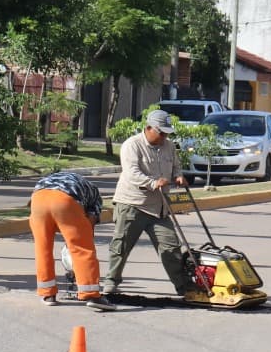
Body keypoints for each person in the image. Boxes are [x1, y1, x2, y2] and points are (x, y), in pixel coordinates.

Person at [103, 109, 208, 303]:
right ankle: (110, 282)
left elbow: (176, 165)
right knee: (121, 245)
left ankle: (185, 288)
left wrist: (178, 176)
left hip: (159, 207)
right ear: (149, 128)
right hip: (132, 204)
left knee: (171, 247)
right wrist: (153, 182)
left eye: (167, 133)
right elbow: (131, 172)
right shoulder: (132, 145)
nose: (164, 136)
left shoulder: (169, 146)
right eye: (161, 132)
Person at [30, 169, 115, 311]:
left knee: (42, 249)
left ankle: (47, 294)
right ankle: (91, 295)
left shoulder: (52, 180)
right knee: (83, 249)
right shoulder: (94, 194)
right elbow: (90, 224)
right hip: (65, 200)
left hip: (38, 199)